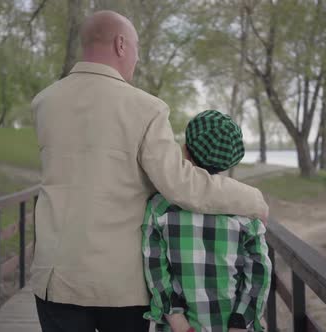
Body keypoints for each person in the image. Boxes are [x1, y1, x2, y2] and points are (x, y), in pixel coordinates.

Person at [30, 10, 269, 332]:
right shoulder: (146, 108)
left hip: (54, 277)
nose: (137, 58)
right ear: (120, 44)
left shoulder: (45, 102)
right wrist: (251, 199)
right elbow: (180, 184)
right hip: (120, 285)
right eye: (137, 47)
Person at [142, 110, 272, 332]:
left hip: (178, 327)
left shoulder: (159, 207)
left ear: (185, 150)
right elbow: (259, 272)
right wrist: (241, 322)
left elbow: (154, 268)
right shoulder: (247, 212)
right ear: (231, 160)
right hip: (230, 323)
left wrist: (177, 321)